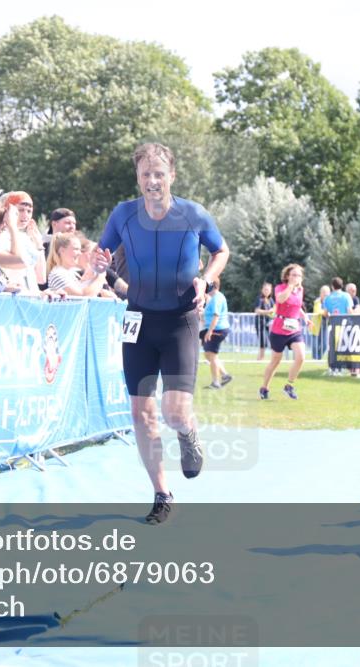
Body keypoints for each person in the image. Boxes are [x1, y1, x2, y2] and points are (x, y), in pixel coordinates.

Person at [96, 142, 229, 525]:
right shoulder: (123, 214)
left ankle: (187, 432)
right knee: (141, 412)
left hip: (180, 319)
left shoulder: (193, 214)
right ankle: (161, 492)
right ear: (137, 178)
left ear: (171, 175)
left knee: (173, 412)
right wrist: (98, 260)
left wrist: (206, 279)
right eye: (145, 175)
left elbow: (221, 251)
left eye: (159, 174)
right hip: (137, 318)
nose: (152, 181)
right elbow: (102, 253)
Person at [260, 264, 309, 400]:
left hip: (294, 329)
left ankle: (289, 386)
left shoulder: (301, 290)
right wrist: (291, 286)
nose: (296, 277)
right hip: (279, 329)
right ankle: (264, 387)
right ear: (287, 276)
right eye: (293, 275)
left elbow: (297, 306)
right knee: (275, 361)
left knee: (301, 357)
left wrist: (305, 317)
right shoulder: (280, 288)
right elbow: (281, 299)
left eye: (299, 275)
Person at [47, 232, 108, 297]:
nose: (79, 253)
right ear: (62, 250)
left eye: (80, 250)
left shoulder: (70, 273)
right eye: (76, 249)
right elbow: (82, 296)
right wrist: (101, 276)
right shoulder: (57, 274)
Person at [200, 279, 233, 389]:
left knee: (212, 356)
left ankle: (215, 382)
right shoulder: (214, 298)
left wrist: (209, 332)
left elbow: (216, 316)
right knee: (207, 354)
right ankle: (225, 375)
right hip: (214, 329)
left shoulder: (217, 298)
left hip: (217, 330)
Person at [254, 282, 275, 361]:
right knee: (263, 343)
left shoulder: (271, 300)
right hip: (260, 324)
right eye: (265, 289)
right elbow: (257, 310)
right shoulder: (259, 299)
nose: (267, 291)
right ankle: (259, 360)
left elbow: (274, 309)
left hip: (269, 324)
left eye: (268, 290)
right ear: (262, 290)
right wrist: (268, 312)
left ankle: (272, 360)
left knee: (273, 342)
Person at [310, 285, 331, 359]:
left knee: (325, 345)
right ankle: (315, 359)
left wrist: (328, 313)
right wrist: (326, 313)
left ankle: (318, 358)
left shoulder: (329, 302)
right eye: (324, 293)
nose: (326, 294)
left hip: (325, 327)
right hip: (316, 326)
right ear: (320, 293)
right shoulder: (317, 301)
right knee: (315, 345)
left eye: (327, 293)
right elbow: (317, 310)